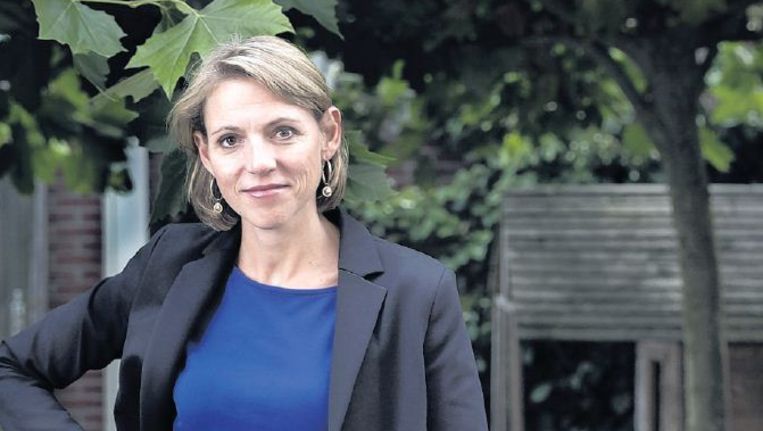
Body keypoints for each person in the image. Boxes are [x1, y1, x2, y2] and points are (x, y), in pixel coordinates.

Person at [0, 36, 488, 431]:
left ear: (329, 134)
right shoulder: (166, 266)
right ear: (206, 154)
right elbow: (12, 368)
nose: (259, 163)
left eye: (283, 132)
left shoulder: (417, 291)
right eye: (230, 139)